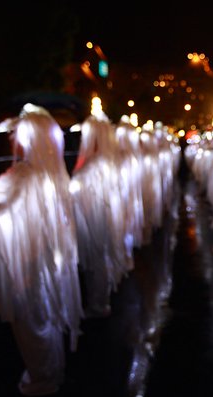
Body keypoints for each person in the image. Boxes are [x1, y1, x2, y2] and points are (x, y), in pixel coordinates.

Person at [0, 104, 84, 396]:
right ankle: (51, 370)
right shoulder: (48, 175)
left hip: (23, 262)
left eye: (17, 133)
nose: (12, 138)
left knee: (30, 318)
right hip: (40, 260)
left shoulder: (25, 177)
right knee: (43, 313)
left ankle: (42, 378)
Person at [70, 111, 133, 317]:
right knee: (101, 256)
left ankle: (99, 303)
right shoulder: (109, 163)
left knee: (96, 259)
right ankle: (101, 299)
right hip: (102, 217)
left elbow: (81, 197)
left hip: (93, 220)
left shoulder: (93, 168)